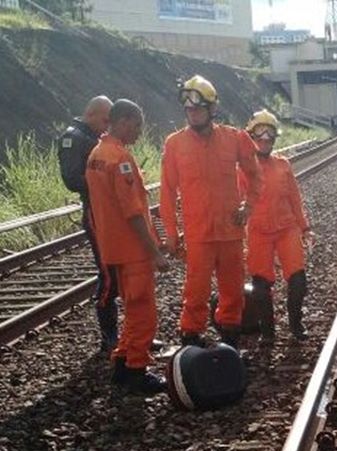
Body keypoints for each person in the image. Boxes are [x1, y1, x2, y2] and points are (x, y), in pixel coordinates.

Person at [159, 75, 263, 349]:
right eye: (189, 109)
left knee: (233, 291)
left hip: (230, 231)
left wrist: (248, 206)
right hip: (198, 234)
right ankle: (190, 338)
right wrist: (171, 233)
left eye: (199, 109)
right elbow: (167, 192)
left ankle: (230, 339)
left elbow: (255, 175)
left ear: (212, 109)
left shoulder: (235, 138)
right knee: (196, 292)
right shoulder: (174, 144)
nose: (193, 114)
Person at [85, 99, 169, 393]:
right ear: (123, 121)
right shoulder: (120, 159)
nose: (138, 132)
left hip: (113, 247)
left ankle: (121, 363)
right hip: (133, 250)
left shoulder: (96, 153)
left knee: (133, 310)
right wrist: (154, 252)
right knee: (143, 311)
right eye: (137, 125)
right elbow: (133, 213)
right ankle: (136, 371)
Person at [240, 109, 314, 342]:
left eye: (269, 135)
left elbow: (295, 199)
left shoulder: (283, 165)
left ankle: (296, 326)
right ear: (251, 137)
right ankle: (268, 333)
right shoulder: (241, 169)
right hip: (258, 232)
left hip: (286, 229)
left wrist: (305, 228)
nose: (264, 139)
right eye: (259, 135)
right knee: (260, 287)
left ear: (274, 138)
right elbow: (234, 202)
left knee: (298, 281)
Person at [58, 95, 119, 352]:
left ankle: (118, 334)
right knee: (108, 276)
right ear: (91, 113)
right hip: (95, 211)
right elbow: (72, 179)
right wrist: (104, 181)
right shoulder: (73, 138)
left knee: (116, 272)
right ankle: (109, 336)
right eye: (105, 119)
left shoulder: (92, 137)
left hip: (107, 211)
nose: (107, 125)